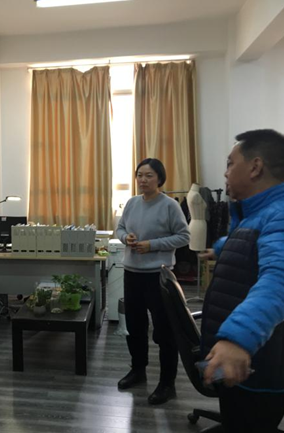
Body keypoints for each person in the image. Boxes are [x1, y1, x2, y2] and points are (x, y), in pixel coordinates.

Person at [199, 129, 284, 432]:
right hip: (246, 364)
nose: (225, 173)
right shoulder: (260, 213)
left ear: (255, 167)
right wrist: (222, 248)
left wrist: (237, 338)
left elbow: (280, 284)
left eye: (230, 163)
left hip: (260, 365)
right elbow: (251, 242)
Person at [116, 158, 190, 404]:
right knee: (135, 327)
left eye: (149, 175)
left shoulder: (170, 205)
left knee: (164, 331)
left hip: (159, 276)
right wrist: (126, 238)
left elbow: (183, 236)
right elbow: (120, 228)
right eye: (140, 175)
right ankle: (138, 370)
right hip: (132, 274)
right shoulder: (132, 203)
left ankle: (167, 383)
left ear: (160, 178)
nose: (143, 180)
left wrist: (152, 245)